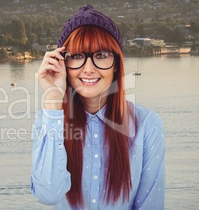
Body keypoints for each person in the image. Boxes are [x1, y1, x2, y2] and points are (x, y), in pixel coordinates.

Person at [31, 5, 165, 210]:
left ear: (116, 64)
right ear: (62, 62)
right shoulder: (49, 120)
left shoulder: (147, 124)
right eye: (76, 56)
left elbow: (150, 205)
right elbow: (48, 194)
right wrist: (52, 100)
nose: (88, 68)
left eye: (101, 55)